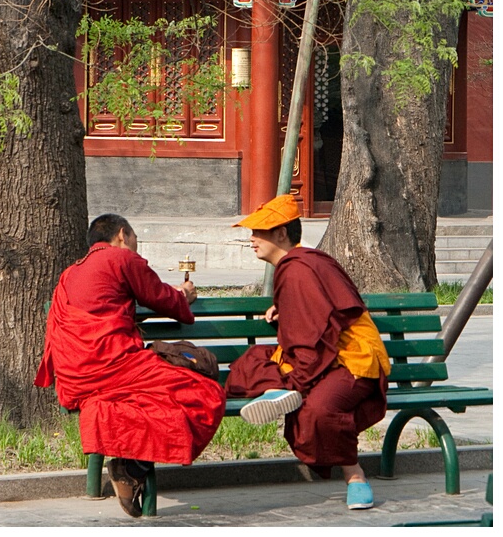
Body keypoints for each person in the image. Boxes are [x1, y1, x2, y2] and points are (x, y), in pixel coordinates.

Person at [34, 213, 226, 518]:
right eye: (134, 240)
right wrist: (184, 296)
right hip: (113, 365)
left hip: (75, 376)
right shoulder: (121, 259)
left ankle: (127, 467)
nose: (136, 248)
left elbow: (100, 308)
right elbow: (163, 298)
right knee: (206, 393)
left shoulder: (69, 274)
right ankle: (130, 467)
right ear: (122, 235)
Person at [225, 195, 391, 511]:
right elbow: (317, 314)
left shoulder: (298, 267)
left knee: (319, 409)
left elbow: (320, 327)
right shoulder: (304, 262)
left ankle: (355, 477)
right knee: (254, 367)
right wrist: (285, 310)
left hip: (354, 361)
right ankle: (286, 389)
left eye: (258, 232)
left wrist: (296, 375)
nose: (251, 240)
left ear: (281, 234)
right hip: (330, 358)